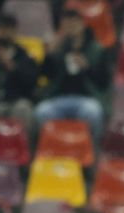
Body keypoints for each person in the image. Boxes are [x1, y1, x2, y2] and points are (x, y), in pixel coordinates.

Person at [35, 8, 107, 137]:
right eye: (67, 25)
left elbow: (104, 82)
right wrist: (48, 55)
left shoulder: (96, 48)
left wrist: (87, 67)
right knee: (42, 112)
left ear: (82, 24)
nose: (71, 27)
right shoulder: (60, 47)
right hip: (59, 97)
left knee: (93, 112)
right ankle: (50, 147)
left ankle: (92, 149)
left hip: (87, 98)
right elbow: (46, 75)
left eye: (74, 23)